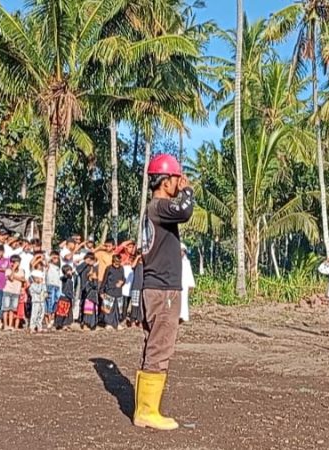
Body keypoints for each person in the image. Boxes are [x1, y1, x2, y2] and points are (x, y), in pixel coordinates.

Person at [135, 153, 194, 431]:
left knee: (153, 345)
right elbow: (185, 210)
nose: (179, 183)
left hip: (156, 287)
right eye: (176, 178)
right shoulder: (159, 206)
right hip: (163, 290)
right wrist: (189, 190)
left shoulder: (155, 209)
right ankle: (147, 411)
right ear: (165, 180)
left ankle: (146, 408)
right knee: (160, 347)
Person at [101, 255, 125, 330]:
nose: (117, 264)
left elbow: (124, 278)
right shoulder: (109, 268)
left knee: (117, 308)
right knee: (109, 308)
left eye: (119, 263)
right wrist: (101, 291)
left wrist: (122, 282)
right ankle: (108, 323)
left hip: (118, 291)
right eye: (116, 262)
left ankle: (117, 323)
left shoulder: (121, 268)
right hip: (110, 290)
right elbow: (104, 280)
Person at [2, 255, 26, 331]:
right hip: (8, 291)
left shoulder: (21, 270)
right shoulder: (8, 270)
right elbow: (11, 278)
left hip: (16, 292)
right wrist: (13, 269)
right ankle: (5, 325)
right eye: (12, 262)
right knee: (6, 309)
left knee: (12, 309)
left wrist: (15, 276)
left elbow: (23, 279)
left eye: (16, 262)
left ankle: (10, 325)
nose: (14, 263)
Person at [53, 264, 76, 330]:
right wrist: (67, 275)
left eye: (70, 270)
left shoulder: (72, 279)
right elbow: (62, 278)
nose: (70, 272)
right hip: (64, 297)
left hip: (69, 298)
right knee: (61, 312)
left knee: (68, 312)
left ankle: (65, 325)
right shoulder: (65, 279)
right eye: (68, 270)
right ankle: (58, 325)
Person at [46, 253, 64, 328]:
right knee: (51, 302)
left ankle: (53, 317)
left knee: (56, 302)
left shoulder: (58, 268)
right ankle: (49, 319)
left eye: (57, 258)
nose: (55, 259)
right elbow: (46, 263)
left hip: (57, 286)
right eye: (54, 258)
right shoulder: (49, 265)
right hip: (50, 285)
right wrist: (51, 258)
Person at [128, 251, 145, 327]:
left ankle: (140, 320)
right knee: (134, 305)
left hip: (143, 287)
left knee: (142, 305)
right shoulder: (137, 264)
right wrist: (137, 257)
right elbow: (132, 266)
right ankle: (133, 320)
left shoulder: (146, 265)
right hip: (136, 286)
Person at [180, 244, 195, 323]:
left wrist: (191, 285)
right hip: (177, 284)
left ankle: (184, 316)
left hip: (184, 284)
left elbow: (189, 274)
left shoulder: (187, 262)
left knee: (184, 299)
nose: (181, 252)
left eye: (183, 251)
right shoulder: (175, 262)